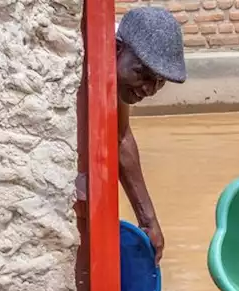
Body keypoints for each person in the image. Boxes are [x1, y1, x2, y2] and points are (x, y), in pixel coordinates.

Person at [76, 6, 187, 262]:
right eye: (141, 74)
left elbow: (120, 136)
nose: (148, 89)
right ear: (115, 50)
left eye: (160, 81)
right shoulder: (78, 61)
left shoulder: (116, 71)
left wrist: (148, 220)